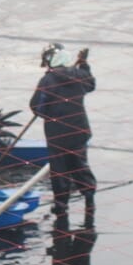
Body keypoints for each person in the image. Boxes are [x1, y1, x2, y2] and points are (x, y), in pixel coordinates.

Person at [30, 43, 96, 216]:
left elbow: (37, 107)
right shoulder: (79, 75)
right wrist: (84, 65)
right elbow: (90, 85)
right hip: (79, 129)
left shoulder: (47, 80)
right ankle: (89, 197)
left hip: (57, 133)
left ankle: (61, 205)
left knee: (60, 169)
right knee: (79, 164)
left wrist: (49, 114)